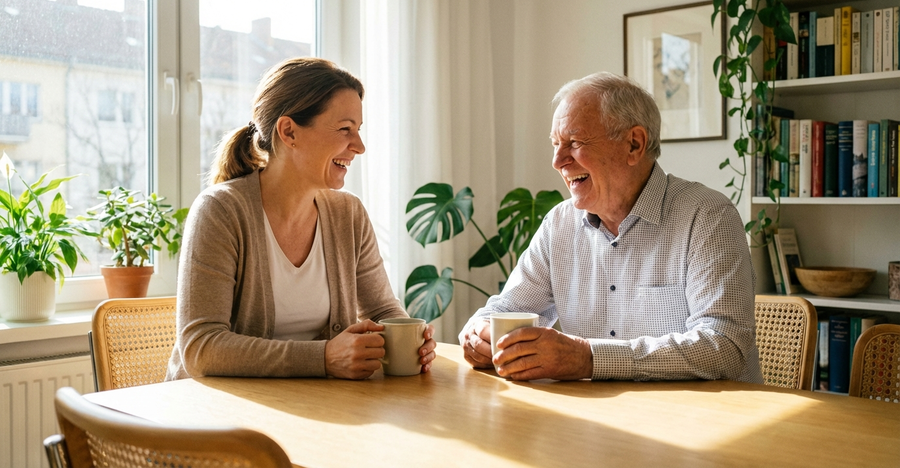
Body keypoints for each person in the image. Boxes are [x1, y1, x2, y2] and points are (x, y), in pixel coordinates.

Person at [458, 72, 763, 383]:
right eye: (555, 144)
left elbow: (724, 346)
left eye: (574, 143)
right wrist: (478, 334)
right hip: (597, 421)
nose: (557, 160)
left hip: (701, 422)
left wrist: (589, 359)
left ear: (634, 144)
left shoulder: (707, 216)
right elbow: (505, 309)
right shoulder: (558, 225)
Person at [166, 57, 435, 381]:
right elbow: (202, 349)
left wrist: (410, 340)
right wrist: (323, 358)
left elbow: (382, 311)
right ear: (289, 131)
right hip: (218, 417)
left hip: (313, 408)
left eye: (358, 130)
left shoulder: (348, 214)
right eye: (344, 129)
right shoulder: (220, 211)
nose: (359, 147)